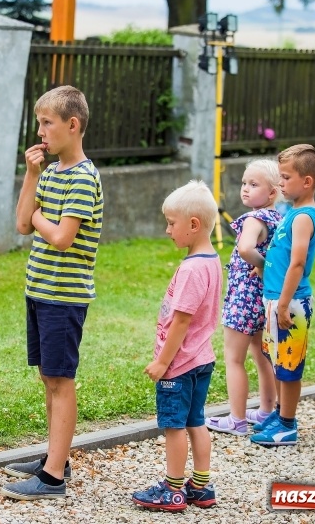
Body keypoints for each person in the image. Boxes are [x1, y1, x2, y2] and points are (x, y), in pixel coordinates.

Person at [2, 85, 104, 500]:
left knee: (61, 381)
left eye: (47, 123)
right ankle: (52, 458)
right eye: (40, 122)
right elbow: (22, 224)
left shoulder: (82, 178)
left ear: (72, 125)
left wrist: (41, 214)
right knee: (49, 377)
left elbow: (62, 237)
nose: (40, 131)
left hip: (64, 296)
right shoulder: (53, 173)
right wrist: (31, 176)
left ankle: (54, 478)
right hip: (40, 289)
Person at [131, 181, 221, 512]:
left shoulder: (192, 269)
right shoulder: (211, 260)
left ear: (193, 225)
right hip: (202, 359)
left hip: (180, 365)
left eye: (171, 223)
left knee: (174, 427)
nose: (168, 230)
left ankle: (173, 490)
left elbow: (181, 323)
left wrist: (161, 363)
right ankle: (201, 486)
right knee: (196, 420)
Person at [249, 144, 315, 447]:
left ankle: (287, 425)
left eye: (286, 177)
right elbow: (285, 256)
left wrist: (282, 305)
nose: (280, 183)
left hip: (289, 303)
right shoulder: (293, 213)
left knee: (289, 366)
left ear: (307, 181)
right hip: (278, 298)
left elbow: (298, 263)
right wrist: (267, 270)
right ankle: (281, 414)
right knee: (279, 360)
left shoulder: (304, 216)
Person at [205, 160, 281, 436]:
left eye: (254, 184)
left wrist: (261, 264)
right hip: (263, 298)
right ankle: (266, 410)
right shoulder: (277, 219)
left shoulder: (253, 219)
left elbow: (245, 248)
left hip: (243, 297)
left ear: (272, 193)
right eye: (244, 183)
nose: (245, 189)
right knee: (263, 355)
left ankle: (236, 418)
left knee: (234, 358)